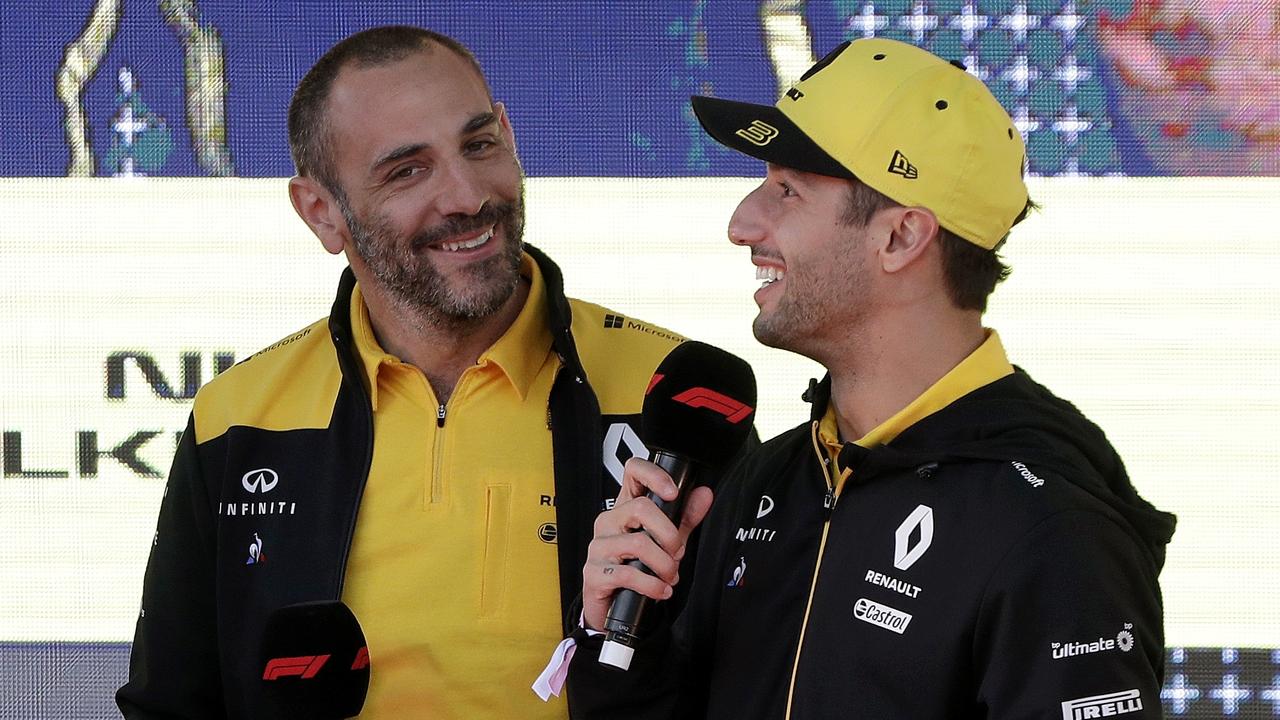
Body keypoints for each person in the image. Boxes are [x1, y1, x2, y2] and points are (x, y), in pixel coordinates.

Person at [115, 25, 748, 719]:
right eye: (407, 171)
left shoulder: (677, 397)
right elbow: (170, 701)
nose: (468, 195)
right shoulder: (239, 416)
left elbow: (753, 681)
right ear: (322, 214)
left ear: (509, 133)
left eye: (479, 144)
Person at [567, 37, 1177, 718]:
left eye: (787, 191)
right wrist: (616, 641)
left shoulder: (1050, 529)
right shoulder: (762, 480)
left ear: (900, 238)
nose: (743, 223)